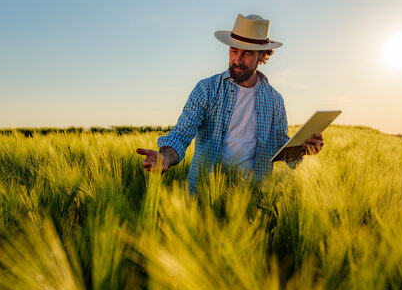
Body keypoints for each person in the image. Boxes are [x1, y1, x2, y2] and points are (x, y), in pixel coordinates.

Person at [137, 14, 324, 193]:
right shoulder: (207, 89)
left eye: (247, 54)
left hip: (254, 202)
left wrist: (302, 149)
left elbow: (280, 148)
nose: (237, 60)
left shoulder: (275, 100)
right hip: (205, 196)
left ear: (262, 55)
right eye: (234, 50)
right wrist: (165, 157)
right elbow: (181, 135)